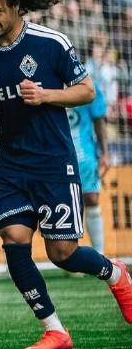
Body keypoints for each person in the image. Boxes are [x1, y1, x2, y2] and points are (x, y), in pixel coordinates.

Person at [0, 0, 132, 349]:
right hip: (13, 164)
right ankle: (54, 329)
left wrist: (46, 94)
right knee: (13, 241)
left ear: (16, 4)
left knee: (63, 253)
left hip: (54, 162)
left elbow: (87, 91)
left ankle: (116, 272)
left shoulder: (51, 44)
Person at [65, 57, 110, 255]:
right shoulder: (47, 84)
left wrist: (105, 154)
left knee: (91, 198)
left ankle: (99, 254)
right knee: (65, 205)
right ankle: (68, 255)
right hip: (59, 155)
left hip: (85, 153)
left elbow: (99, 120)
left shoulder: (87, 85)